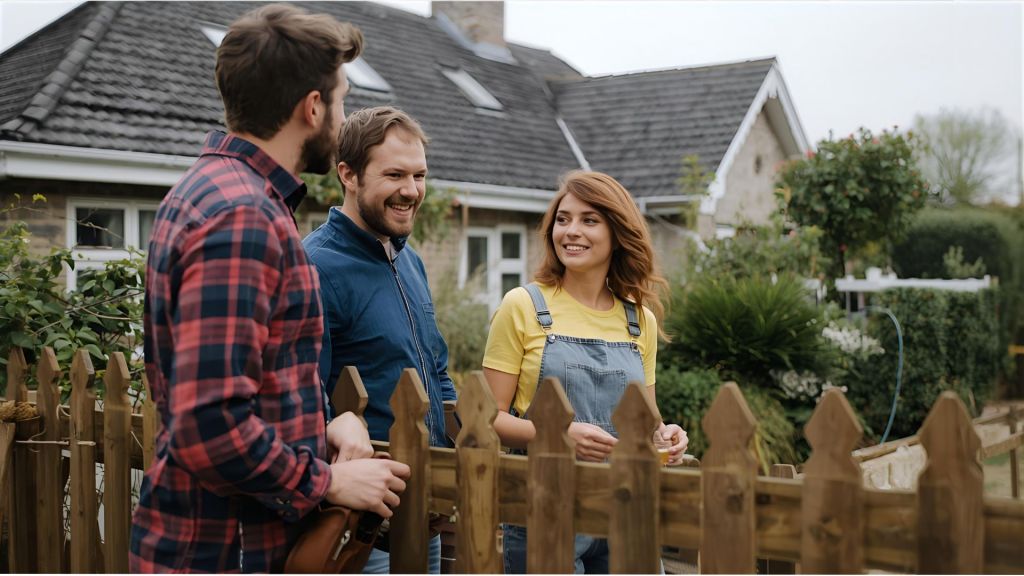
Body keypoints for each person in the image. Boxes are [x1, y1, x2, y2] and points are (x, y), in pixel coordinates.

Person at [130, 6, 409, 572]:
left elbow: (247, 381)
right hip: (224, 550)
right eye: (341, 98)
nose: (340, 115)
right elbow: (209, 423)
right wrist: (326, 480)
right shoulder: (244, 216)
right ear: (313, 107)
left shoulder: (206, 189)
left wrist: (320, 421)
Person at [482, 170, 689, 573]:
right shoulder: (523, 306)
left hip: (627, 506)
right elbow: (488, 418)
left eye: (589, 220)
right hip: (545, 506)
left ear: (617, 232)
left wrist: (667, 435)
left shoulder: (638, 321)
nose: (571, 231)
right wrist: (557, 435)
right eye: (563, 219)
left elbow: (646, 419)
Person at [303, 106, 456, 574]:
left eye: (419, 175)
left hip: (421, 514)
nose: (411, 191)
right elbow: (297, 394)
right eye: (394, 174)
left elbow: (437, 370)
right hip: (355, 523)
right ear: (347, 174)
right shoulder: (313, 267)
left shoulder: (410, 260)